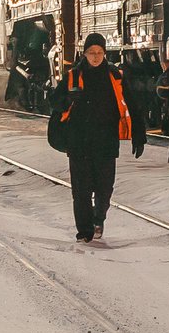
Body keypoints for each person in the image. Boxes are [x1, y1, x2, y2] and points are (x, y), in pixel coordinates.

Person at [60, 33, 142, 244]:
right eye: (91, 52)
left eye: (99, 52)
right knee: (81, 191)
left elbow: (132, 104)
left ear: (104, 53)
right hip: (79, 142)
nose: (96, 56)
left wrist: (139, 135)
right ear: (84, 53)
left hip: (106, 142)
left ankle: (99, 217)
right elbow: (54, 102)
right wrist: (68, 98)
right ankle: (84, 231)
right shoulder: (73, 76)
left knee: (105, 188)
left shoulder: (115, 76)